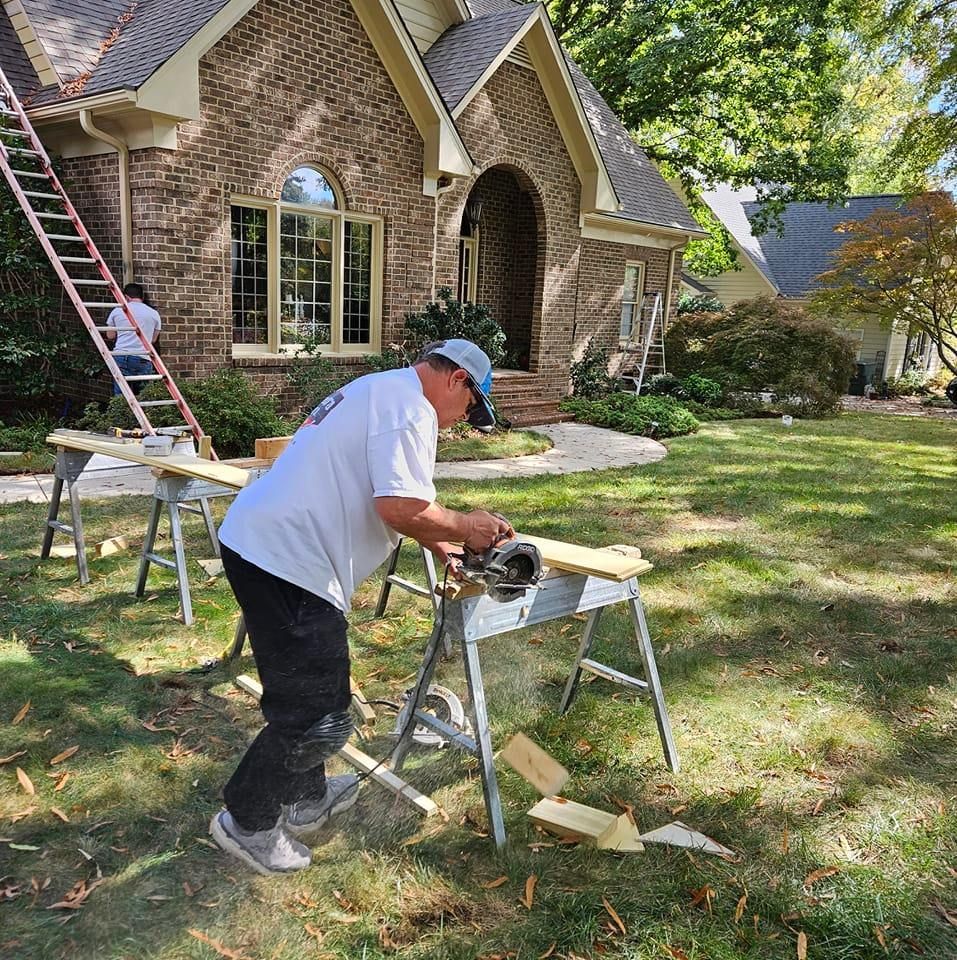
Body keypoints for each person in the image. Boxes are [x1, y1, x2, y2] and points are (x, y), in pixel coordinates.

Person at [211, 339, 512, 875]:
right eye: (468, 409)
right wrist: (467, 526)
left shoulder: (382, 390)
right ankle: (248, 822)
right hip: (289, 561)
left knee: (309, 690)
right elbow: (399, 505)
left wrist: (442, 542)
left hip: (263, 543)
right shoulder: (410, 409)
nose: (459, 423)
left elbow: (388, 495)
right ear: (458, 381)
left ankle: (307, 799)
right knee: (317, 714)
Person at [105, 282, 161, 395]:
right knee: (144, 395)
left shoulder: (117, 310)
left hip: (121, 356)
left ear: (126, 296)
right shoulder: (154, 314)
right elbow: (153, 340)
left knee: (121, 396)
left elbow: (110, 335)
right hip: (143, 357)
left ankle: (122, 412)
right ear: (142, 297)